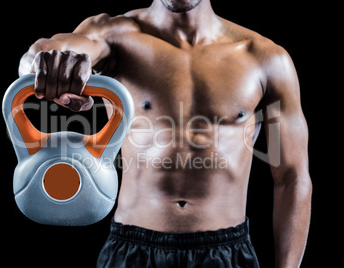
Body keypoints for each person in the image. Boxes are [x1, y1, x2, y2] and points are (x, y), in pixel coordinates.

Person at [18, 0, 312, 267]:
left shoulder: (265, 58)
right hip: (132, 249)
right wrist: (45, 65)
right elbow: (52, 51)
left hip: (226, 253)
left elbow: (292, 177)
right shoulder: (114, 35)